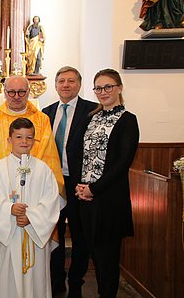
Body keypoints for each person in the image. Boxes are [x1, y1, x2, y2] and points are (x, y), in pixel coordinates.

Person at [75, 69, 139, 298]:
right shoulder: (91, 118)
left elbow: (122, 163)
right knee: (95, 255)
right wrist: (81, 187)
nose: (103, 92)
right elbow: (83, 156)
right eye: (98, 88)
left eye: (108, 87)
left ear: (119, 88)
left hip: (109, 199)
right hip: (86, 197)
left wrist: (94, 188)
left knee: (107, 260)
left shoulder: (127, 120)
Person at [42, 66, 98, 297]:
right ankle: (56, 282)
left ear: (79, 84)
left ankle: (76, 281)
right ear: (55, 85)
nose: (66, 85)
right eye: (62, 81)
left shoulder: (91, 111)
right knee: (52, 233)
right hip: (53, 183)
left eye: (71, 81)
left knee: (79, 235)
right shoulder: (46, 112)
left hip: (78, 184)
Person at [0, 118, 61, 298]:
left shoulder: (43, 169)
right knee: (8, 281)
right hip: (8, 234)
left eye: (29, 138)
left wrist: (31, 217)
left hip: (34, 234)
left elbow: (51, 201)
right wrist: (9, 208)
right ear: (9, 140)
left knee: (36, 280)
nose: (24, 142)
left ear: (34, 141)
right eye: (19, 137)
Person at [0, 75, 65, 198]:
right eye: (11, 92)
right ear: (4, 92)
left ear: (28, 92)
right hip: (2, 186)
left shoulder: (41, 120)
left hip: (35, 185)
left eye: (21, 92)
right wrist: (2, 181)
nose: (16, 96)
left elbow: (48, 155)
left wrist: (33, 178)